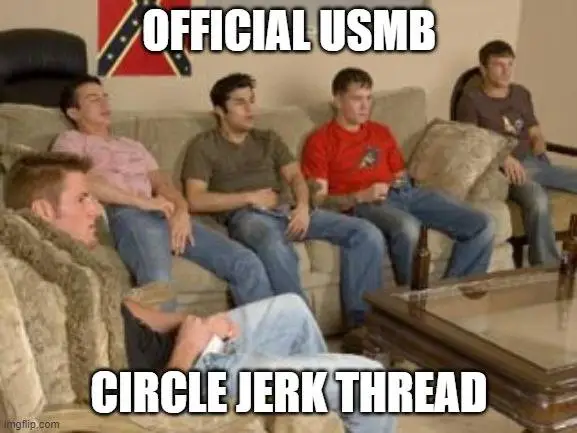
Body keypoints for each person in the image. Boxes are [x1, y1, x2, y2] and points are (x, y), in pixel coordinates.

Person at [3, 152, 396, 433]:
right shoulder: (43, 296)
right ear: (43, 211)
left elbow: (126, 311)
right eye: (82, 198)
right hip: (193, 376)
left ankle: (305, 409)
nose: (96, 209)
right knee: (369, 380)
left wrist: (194, 322)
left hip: (194, 347)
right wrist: (186, 350)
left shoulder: (73, 270)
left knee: (292, 309)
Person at [181, 73, 387, 337]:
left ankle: (360, 328)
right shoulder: (204, 146)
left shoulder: (268, 139)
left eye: (252, 100)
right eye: (240, 103)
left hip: (286, 210)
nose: (250, 109)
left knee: (366, 233)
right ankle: (304, 334)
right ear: (220, 111)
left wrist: (302, 206)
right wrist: (249, 197)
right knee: (275, 246)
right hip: (247, 216)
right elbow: (195, 199)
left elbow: (296, 177)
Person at [51, 74, 275, 311]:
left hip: (160, 212)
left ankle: (267, 334)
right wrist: (142, 202)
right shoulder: (70, 141)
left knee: (246, 262)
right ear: (74, 112)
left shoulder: (133, 145)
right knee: (159, 283)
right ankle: (171, 336)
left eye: (105, 96)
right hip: (123, 214)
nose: (105, 103)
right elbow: (81, 182)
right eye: (94, 99)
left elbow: (164, 185)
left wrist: (181, 211)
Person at [301, 67, 496, 287]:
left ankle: (450, 293)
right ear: (337, 101)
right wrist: (360, 196)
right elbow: (318, 200)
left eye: (368, 98)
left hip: (405, 194)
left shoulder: (381, 132)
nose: (365, 106)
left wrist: (401, 182)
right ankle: (416, 298)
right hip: (365, 204)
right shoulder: (320, 141)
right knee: (408, 228)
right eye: (357, 99)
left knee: (483, 223)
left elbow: (400, 173)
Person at [455, 40, 577, 266]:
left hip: (534, 162)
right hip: (502, 171)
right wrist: (503, 157)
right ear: (483, 69)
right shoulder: (471, 100)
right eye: (499, 65)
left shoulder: (521, 93)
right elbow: (472, 143)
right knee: (538, 200)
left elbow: (534, 129)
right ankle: (547, 268)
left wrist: (539, 140)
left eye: (510, 64)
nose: (506, 71)